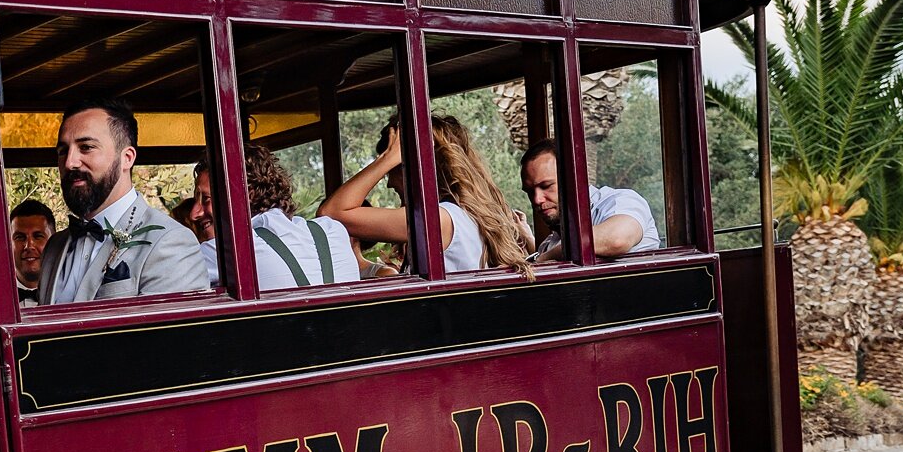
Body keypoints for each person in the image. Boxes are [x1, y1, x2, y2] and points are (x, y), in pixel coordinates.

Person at [36, 97, 210, 304]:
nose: (70, 162)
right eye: (63, 151)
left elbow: (169, 336)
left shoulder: (170, 242)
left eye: (86, 147)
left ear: (127, 158)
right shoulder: (55, 245)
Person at [320, 115, 533, 279]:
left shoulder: (441, 220)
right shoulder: (460, 217)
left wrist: (385, 160)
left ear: (410, 168)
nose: (388, 184)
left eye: (391, 172)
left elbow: (331, 214)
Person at [191, 146, 360, 290]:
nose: (194, 213)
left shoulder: (224, 251)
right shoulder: (332, 230)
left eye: (206, 199)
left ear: (243, 197)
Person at [519, 139, 662, 262]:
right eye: (530, 192)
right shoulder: (551, 242)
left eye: (546, 186)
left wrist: (544, 259)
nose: (537, 199)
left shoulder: (622, 201)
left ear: (573, 178)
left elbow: (617, 240)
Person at [10, 198, 55, 308]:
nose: (29, 246)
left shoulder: (71, 292)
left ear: (55, 240)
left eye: (38, 236)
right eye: (20, 237)